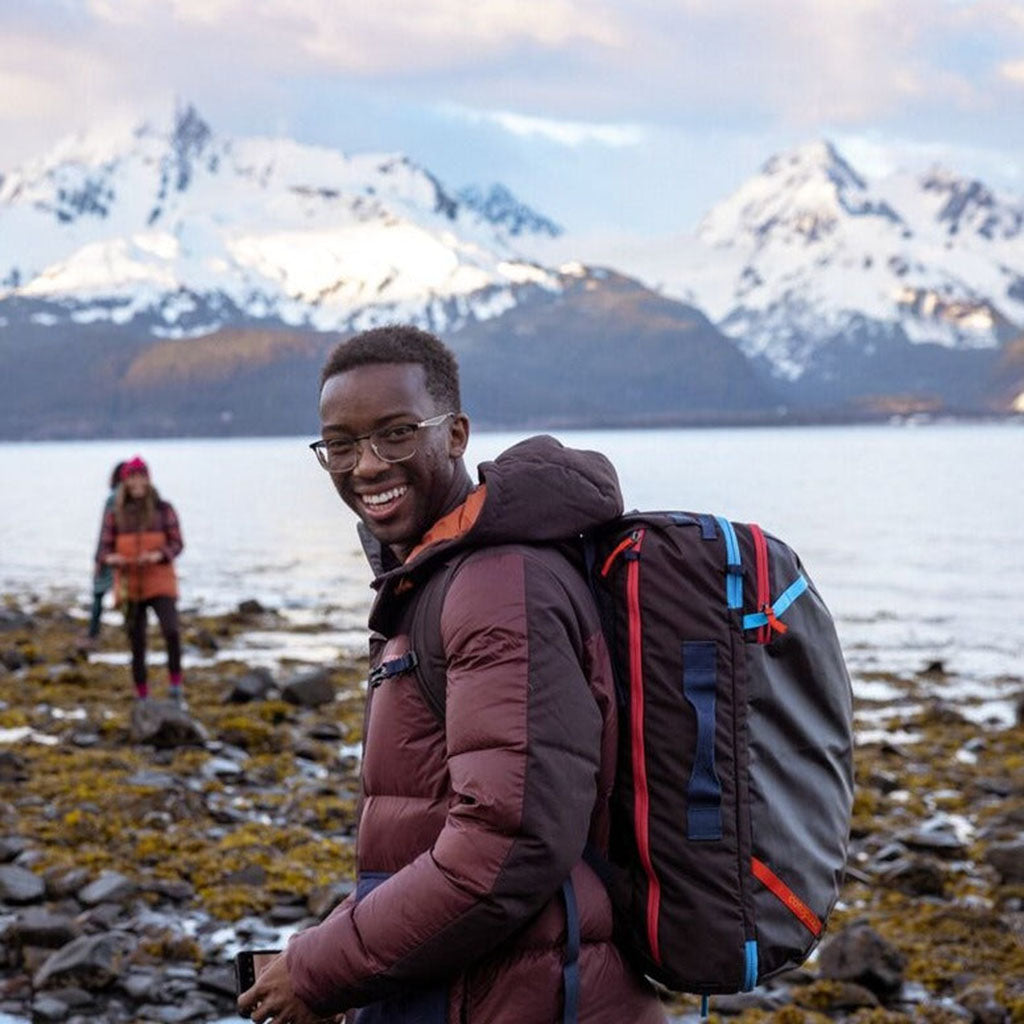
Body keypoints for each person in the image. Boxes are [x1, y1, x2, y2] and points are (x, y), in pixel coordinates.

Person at [238, 326, 666, 1023]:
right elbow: (432, 829)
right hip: (483, 987)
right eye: (340, 445)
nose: (367, 465)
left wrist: (318, 971)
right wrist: (325, 953)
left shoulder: (496, 584)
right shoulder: (433, 579)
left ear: (457, 434)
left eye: (397, 433)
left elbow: (507, 844)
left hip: (533, 1000)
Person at [96, 456, 186, 704]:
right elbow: (103, 550)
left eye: (141, 477)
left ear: (148, 479)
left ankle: (175, 685)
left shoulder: (163, 508)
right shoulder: (115, 513)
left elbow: (177, 544)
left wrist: (159, 555)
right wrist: (113, 559)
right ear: (125, 482)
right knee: (137, 640)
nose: (137, 482)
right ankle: (142, 692)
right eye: (132, 478)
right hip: (130, 584)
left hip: (160, 581)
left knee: (172, 631)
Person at [79, 460, 125, 651]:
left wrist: (100, 556)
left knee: (99, 592)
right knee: (124, 593)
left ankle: (93, 632)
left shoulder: (113, 498)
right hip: (118, 553)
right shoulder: (121, 498)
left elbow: (105, 532)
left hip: (111, 554)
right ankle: (129, 630)